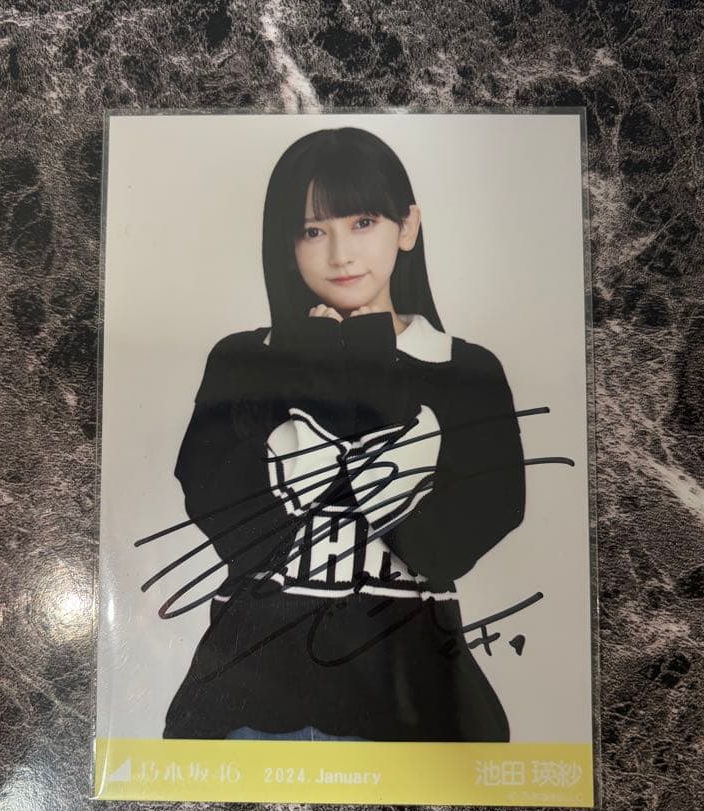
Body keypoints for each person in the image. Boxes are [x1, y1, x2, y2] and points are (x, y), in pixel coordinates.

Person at [163, 127, 526, 743]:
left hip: (411, 709)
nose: (340, 254)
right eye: (313, 231)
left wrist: (363, 360)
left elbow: (443, 547)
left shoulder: (467, 372)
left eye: (362, 222)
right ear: (286, 244)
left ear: (407, 226)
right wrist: (311, 364)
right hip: (248, 708)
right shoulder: (242, 361)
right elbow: (242, 534)